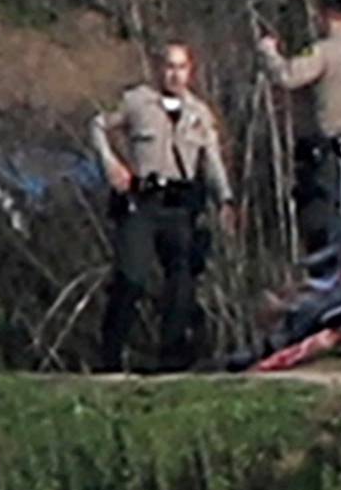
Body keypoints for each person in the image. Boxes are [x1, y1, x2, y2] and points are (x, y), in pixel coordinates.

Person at [90, 42, 234, 373]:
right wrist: (111, 164)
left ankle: (171, 356)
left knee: (182, 280)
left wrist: (225, 198)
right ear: (158, 68)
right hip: (141, 201)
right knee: (131, 278)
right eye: (169, 66)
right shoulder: (136, 101)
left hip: (180, 206)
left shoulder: (199, 113)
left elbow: (211, 161)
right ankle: (110, 355)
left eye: (182, 67)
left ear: (191, 70)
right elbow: (98, 126)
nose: (175, 74)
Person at [259, 0, 341, 249]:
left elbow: (287, 76)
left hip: (328, 156)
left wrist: (268, 52)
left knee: (323, 228)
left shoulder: (323, 52)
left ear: (324, 12)